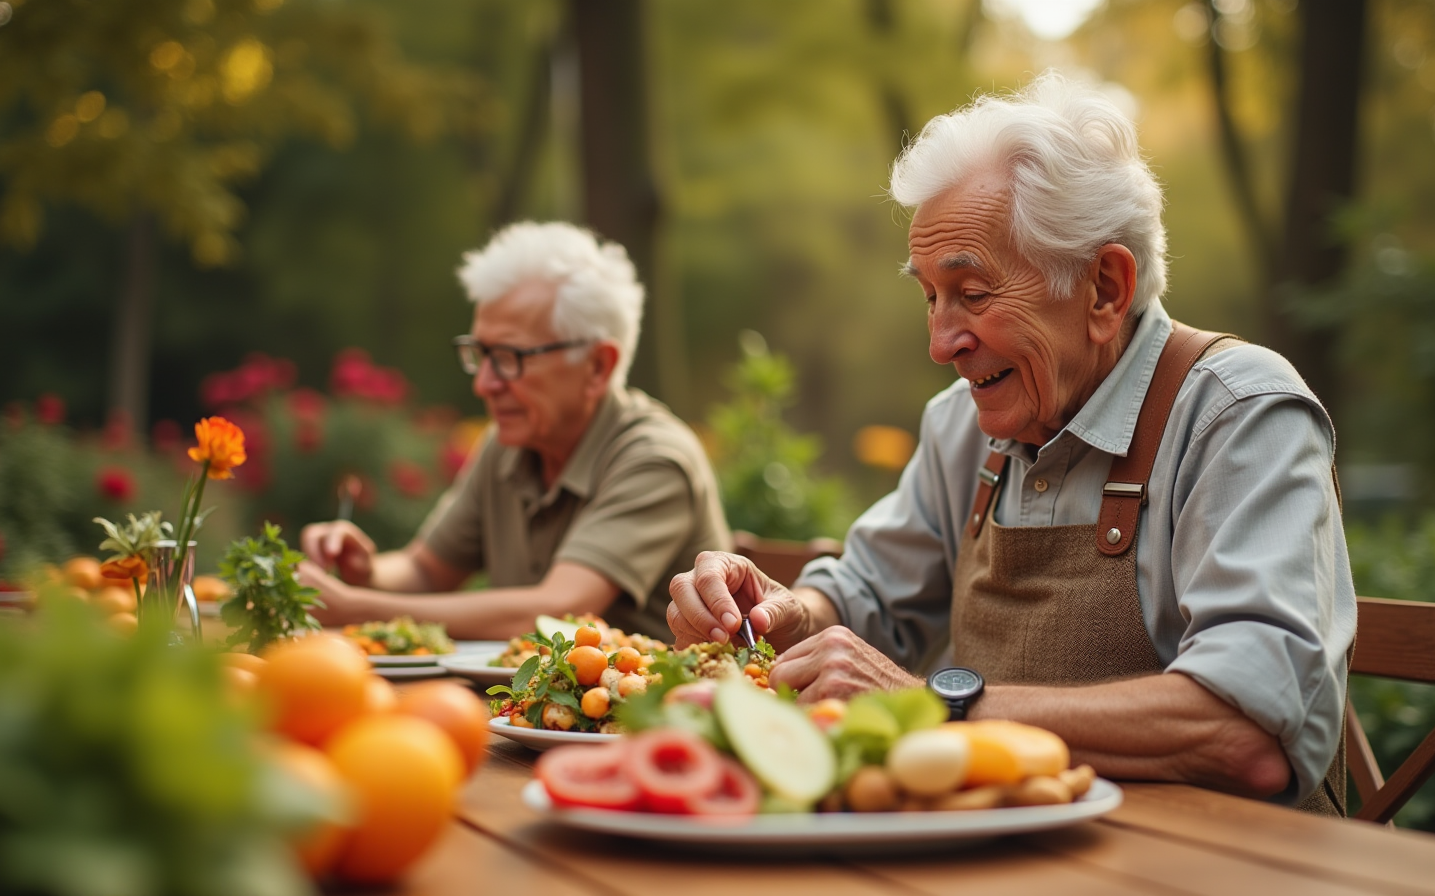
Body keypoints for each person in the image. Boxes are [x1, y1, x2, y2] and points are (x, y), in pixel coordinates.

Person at [666, 73, 1356, 813]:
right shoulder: (963, 424)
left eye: (972, 292)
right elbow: (869, 596)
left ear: (1104, 290)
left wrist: (939, 706)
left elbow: (1243, 732)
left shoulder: (1240, 413)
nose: (939, 342)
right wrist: (786, 614)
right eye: (929, 295)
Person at [301, 222, 731, 642]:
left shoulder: (654, 458)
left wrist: (354, 608)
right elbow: (426, 569)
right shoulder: (511, 443)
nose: (483, 383)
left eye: (508, 357)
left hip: (651, 709)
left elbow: (557, 611)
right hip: (535, 710)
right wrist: (366, 571)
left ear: (598, 366)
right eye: (480, 354)